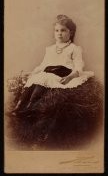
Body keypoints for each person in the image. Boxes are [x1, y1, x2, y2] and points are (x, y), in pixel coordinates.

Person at [8, 15, 102, 148]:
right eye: (57, 30)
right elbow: (43, 65)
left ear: (71, 32)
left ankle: (29, 108)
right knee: (36, 78)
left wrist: (70, 77)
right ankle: (20, 107)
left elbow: (78, 66)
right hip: (48, 71)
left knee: (44, 78)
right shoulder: (50, 49)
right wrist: (32, 72)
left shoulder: (74, 49)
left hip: (62, 72)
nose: (59, 33)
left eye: (63, 30)